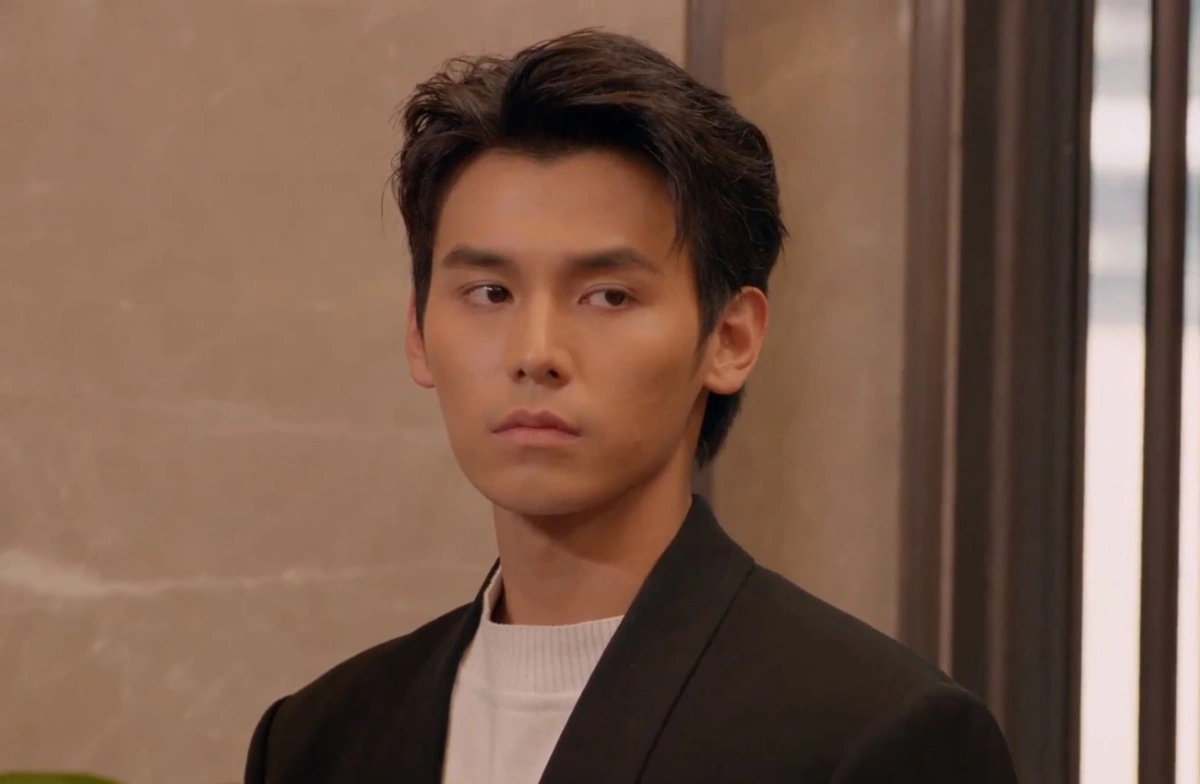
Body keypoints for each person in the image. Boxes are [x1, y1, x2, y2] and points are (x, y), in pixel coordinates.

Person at [243, 28, 1017, 784]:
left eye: (608, 296)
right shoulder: (316, 741)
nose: (535, 351)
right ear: (418, 331)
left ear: (730, 339)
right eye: (489, 293)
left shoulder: (878, 737)